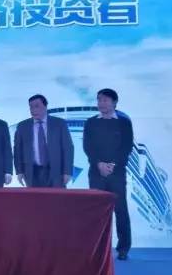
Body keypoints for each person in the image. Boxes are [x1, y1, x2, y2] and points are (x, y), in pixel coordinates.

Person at [83, 88, 134, 260]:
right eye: (99, 100)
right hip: (96, 172)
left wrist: (112, 165)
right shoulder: (91, 122)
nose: (101, 103)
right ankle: (98, 248)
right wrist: (99, 164)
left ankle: (123, 248)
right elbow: (88, 147)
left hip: (117, 173)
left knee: (120, 210)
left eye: (105, 100)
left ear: (114, 103)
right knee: (96, 211)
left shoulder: (124, 122)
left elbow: (126, 147)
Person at [14, 94, 74, 188]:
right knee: (34, 197)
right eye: (31, 107)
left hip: (56, 171)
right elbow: (18, 150)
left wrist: (67, 171)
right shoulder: (22, 126)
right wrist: (19, 171)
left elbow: (68, 148)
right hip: (32, 172)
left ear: (45, 106)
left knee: (57, 197)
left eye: (37, 106)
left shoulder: (59, 124)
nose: (33, 110)